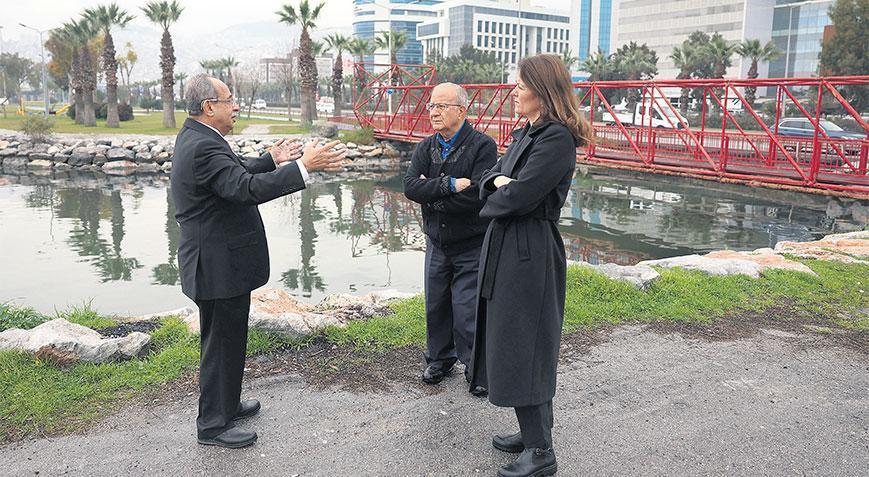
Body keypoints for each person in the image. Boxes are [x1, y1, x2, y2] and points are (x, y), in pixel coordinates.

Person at [171, 74, 345, 449]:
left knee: (229, 337)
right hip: (215, 263)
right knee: (219, 343)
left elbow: (231, 174)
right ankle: (213, 426)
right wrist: (302, 167)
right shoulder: (204, 146)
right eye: (230, 100)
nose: (236, 107)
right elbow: (244, 189)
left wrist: (270, 160)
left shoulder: (200, 137)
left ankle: (227, 404)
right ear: (209, 107)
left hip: (220, 261)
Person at [468, 55, 592, 477]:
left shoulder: (555, 139)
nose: (513, 91)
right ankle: (533, 432)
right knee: (514, 341)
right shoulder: (530, 133)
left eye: (520, 84)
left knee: (527, 345)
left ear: (542, 89)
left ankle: (541, 453)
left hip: (531, 250)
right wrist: (499, 185)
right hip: (510, 245)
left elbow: (517, 197)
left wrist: (502, 188)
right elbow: (491, 178)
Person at [403, 82, 497, 395]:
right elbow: (410, 187)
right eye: (432, 106)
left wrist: (430, 192)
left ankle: (476, 367)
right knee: (437, 304)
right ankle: (440, 359)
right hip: (436, 243)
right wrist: (447, 186)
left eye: (442, 106)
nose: (434, 112)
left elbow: (477, 196)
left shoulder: (482, 146)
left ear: (461, 109)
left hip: (470, 243)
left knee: (468, 307)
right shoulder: (425, 147)